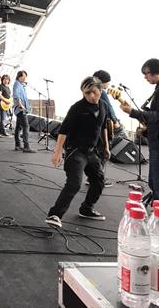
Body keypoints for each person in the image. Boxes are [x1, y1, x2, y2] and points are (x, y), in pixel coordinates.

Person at [119, 58, 159, 240]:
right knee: (156, 184)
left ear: (156, 71)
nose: (145, 77)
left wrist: (132, 112)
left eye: (146, 73)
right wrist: (148, 129)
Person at [45, 76, 110, 228]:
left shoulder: (103, 106)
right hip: (76, 151)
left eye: (94, 92)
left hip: (92, 152)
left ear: (100, 90)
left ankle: (86, 209)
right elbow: (64, 130)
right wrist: (57, 152)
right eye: (87, 93)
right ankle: (55, 214)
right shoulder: (77, 108)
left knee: (99, 181)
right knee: (74, 183)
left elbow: (104, 127)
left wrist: (106, 146)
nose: (91, 96)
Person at [91, 69, 120, 188]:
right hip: (102, 124)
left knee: (96, 151)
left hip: (93, 124)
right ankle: (98, 178)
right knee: (103, 151)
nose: (109, 84)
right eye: (108, 82)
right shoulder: (101, 92)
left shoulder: (90, 90)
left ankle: (92, 177)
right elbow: (108, 107)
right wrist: (115, 120)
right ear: (102, 81)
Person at [13, 71, 35, 153]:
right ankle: (26, 146)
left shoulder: (21, 85)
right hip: (20, 109)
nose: (25, 78)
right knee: (26, 126)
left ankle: (18, 145)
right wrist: (21, 105)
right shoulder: (17, 84)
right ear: (20, 76)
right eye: (24, 77)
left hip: (20, 109)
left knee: (18, 127)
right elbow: (16, 95)